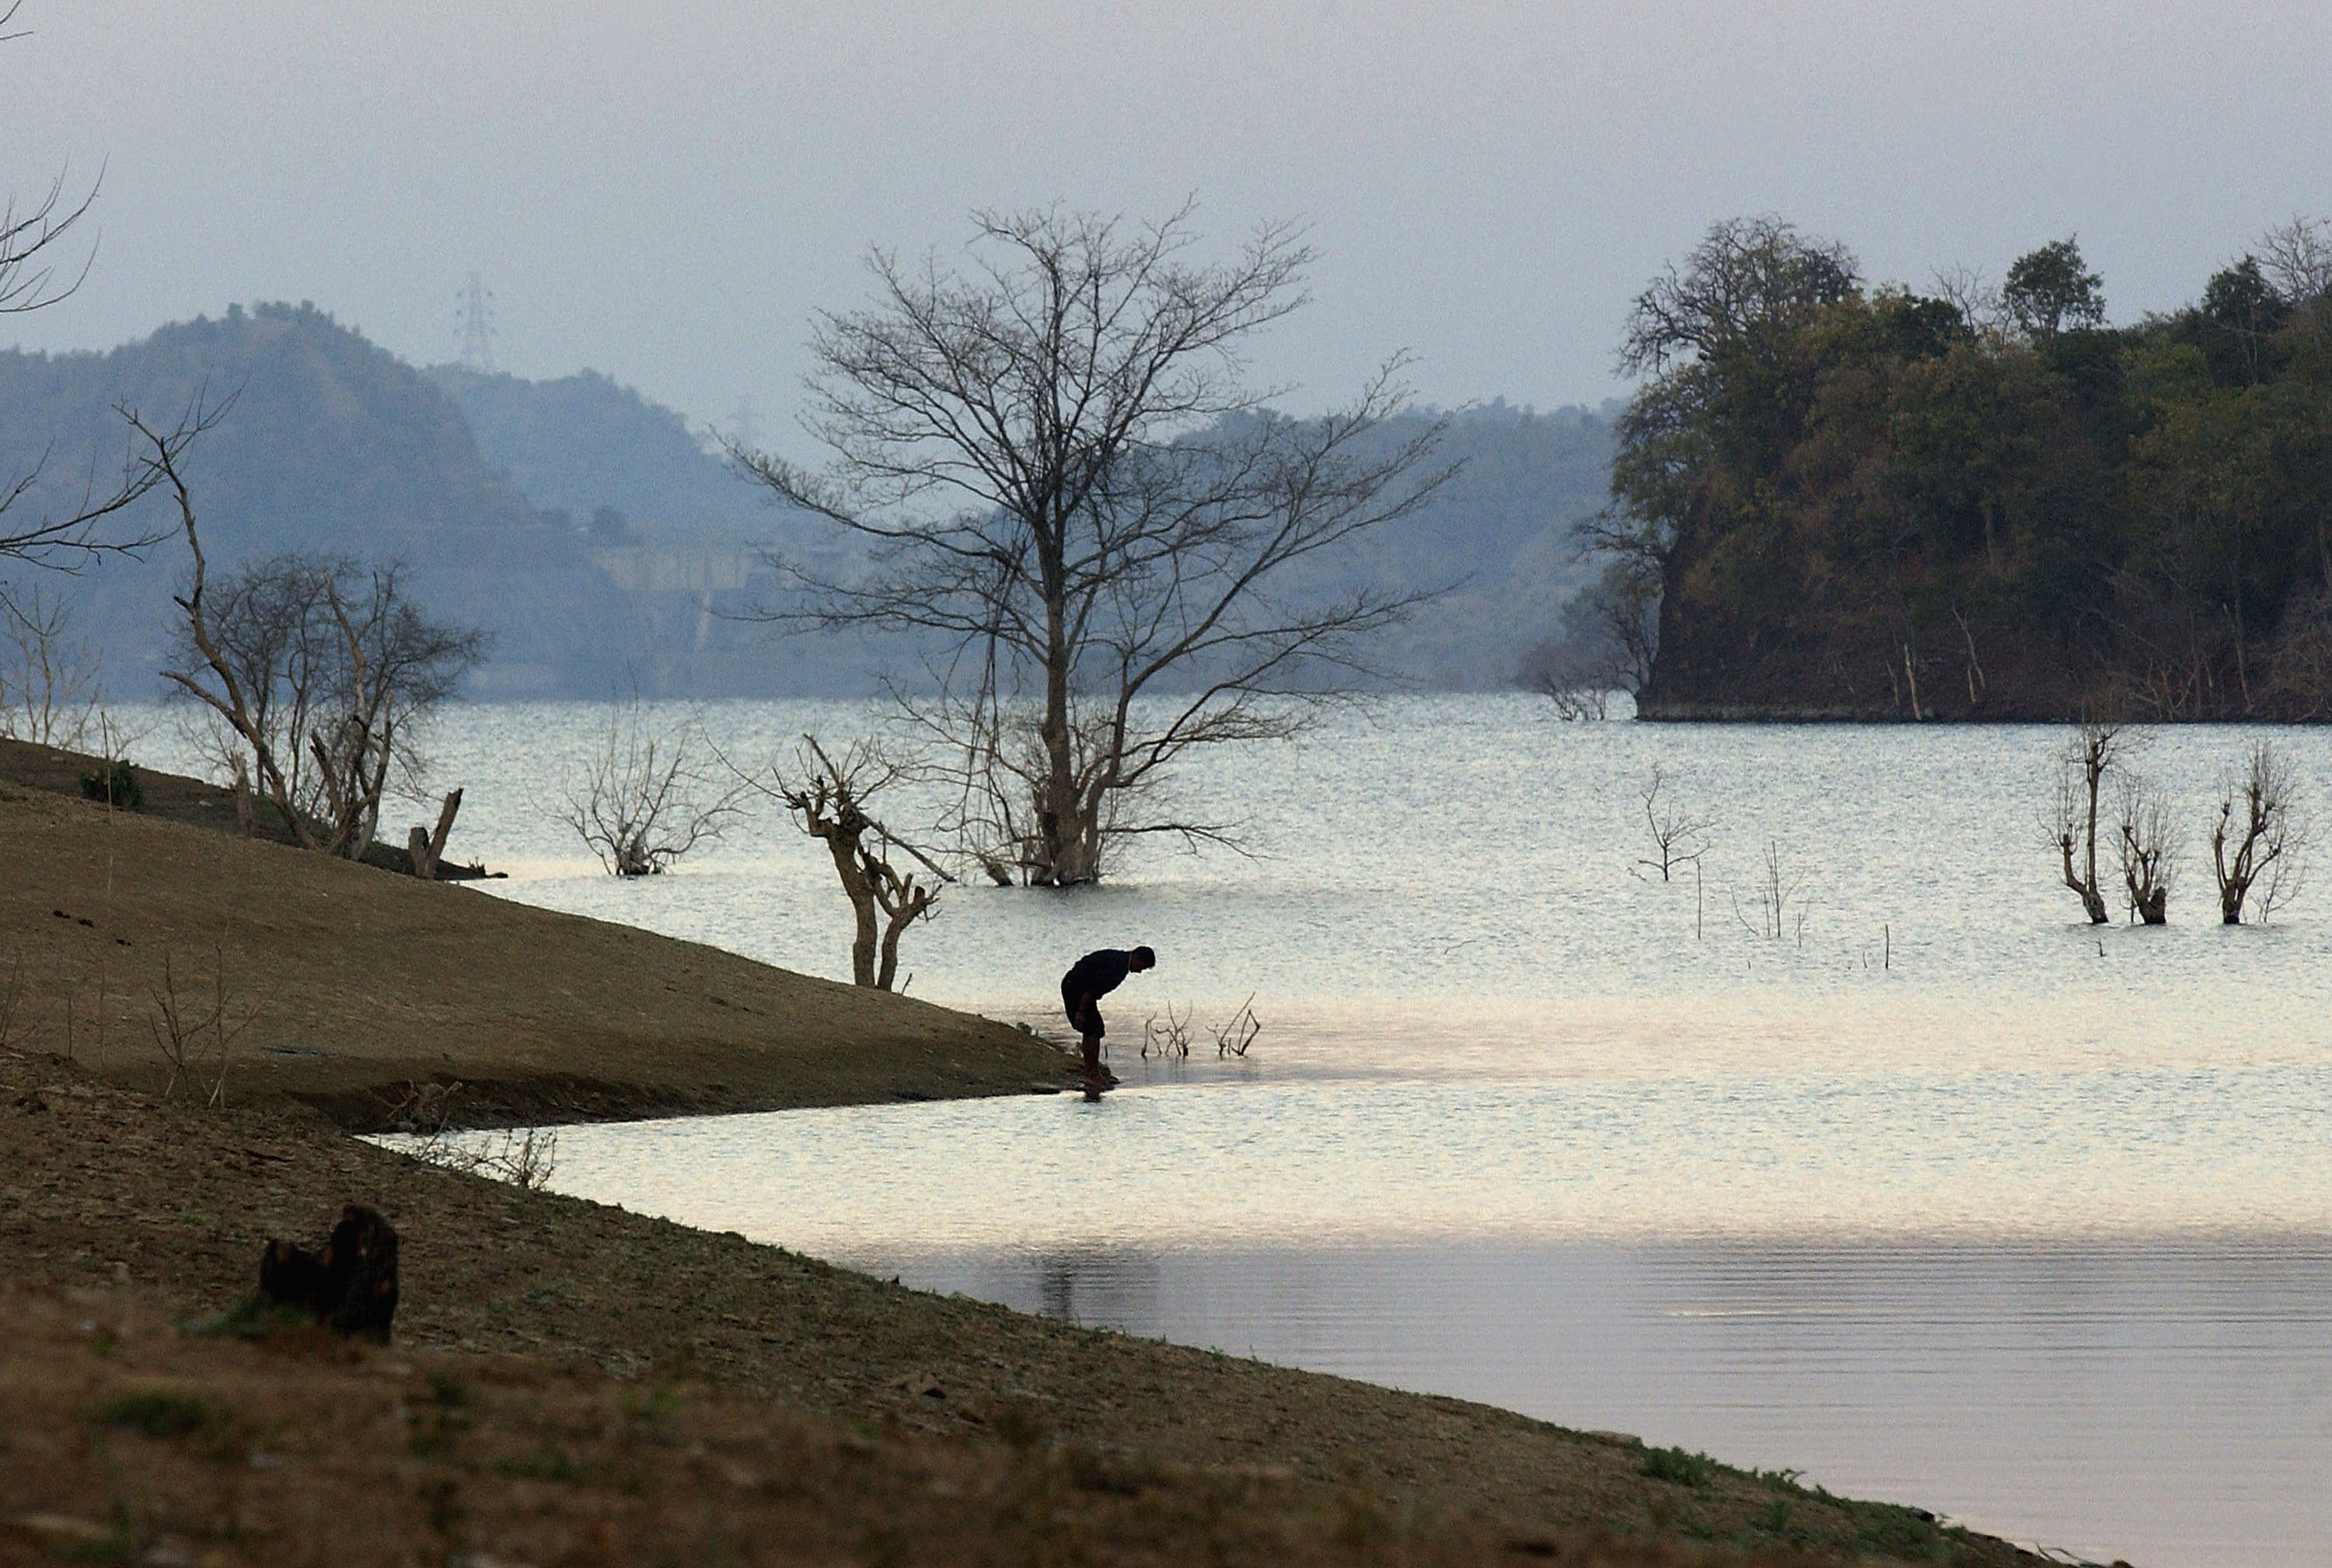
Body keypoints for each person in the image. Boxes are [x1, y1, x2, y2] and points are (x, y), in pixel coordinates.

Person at [1060, 945, 1155, 1088]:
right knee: (1093, 1028)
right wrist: (1081, 1011)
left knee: (1094, 1028)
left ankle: (1092, 1073)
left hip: (1078, 987)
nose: (1141, 971)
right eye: (1143, 966)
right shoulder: (1117, 966)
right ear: (1137, 957)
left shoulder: (1121, 962)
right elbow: (1090, 986)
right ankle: (1091, 1075)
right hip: (1075, 987)